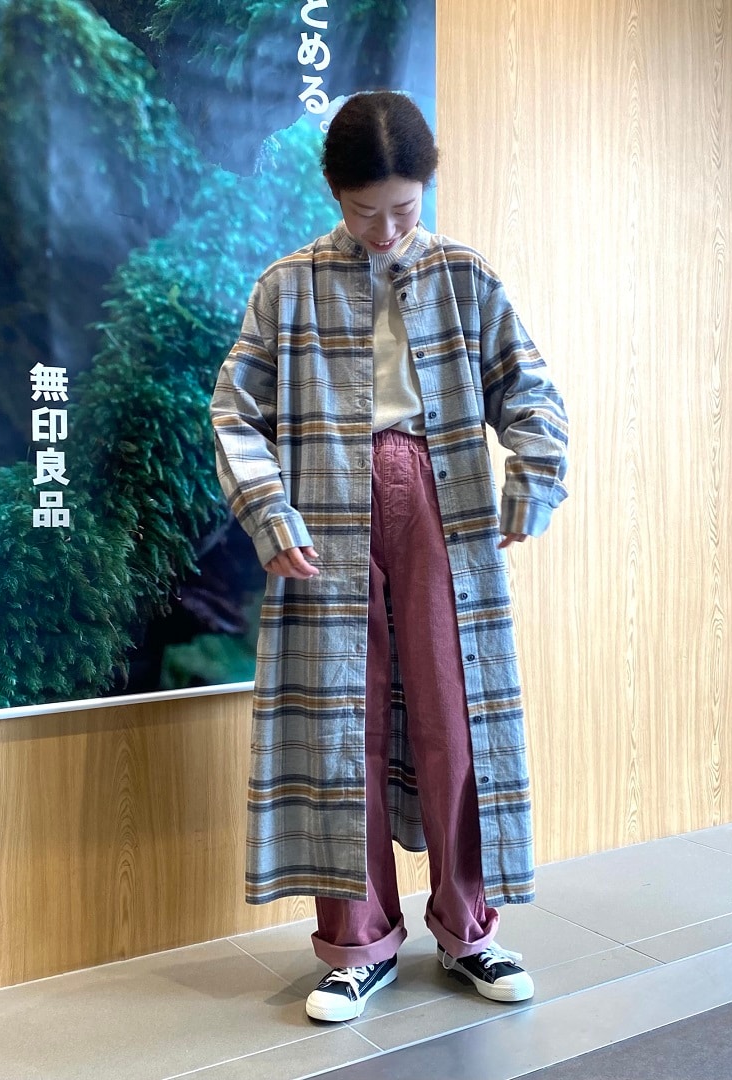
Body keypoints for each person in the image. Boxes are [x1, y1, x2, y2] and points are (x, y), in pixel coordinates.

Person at [210, 90, 568, 1023]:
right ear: (335, 193)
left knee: (457, 713)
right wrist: (267, 509)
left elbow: (531, 393)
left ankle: (469, 930)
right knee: (343, 723)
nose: (385, 229)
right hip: (325, 513)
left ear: (425, 188)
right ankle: (357, 945)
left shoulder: (465, 276)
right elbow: (235, 414)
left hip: (444, 507)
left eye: (403, 208)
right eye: (365, 210)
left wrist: (532, 479)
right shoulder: (287, 285)